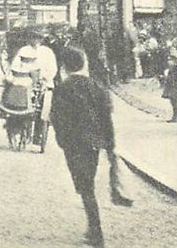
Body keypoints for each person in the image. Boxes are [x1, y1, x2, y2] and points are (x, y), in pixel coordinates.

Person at [50, 47, 132, 247]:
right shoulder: (97, 87)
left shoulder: (62, 88)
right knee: (88, 183)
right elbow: (107, 119)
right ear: (83, 64)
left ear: (64, 67)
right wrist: (110, 146)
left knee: (85, 186)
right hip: (94, 144)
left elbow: (57, 119)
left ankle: (96, 231)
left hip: (74, 145)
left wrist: (63, 141)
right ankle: (93, 229)